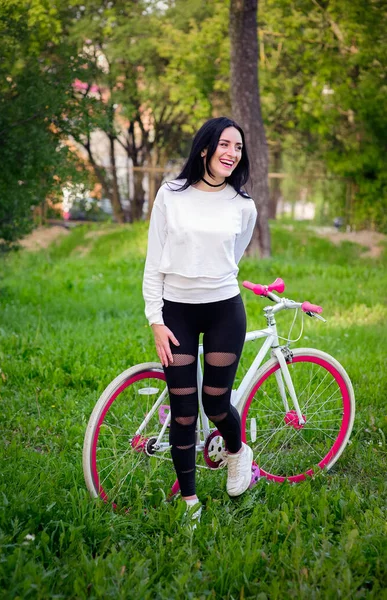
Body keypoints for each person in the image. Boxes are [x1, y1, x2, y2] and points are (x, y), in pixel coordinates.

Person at [142, 116, 257, 525]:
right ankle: (190, 502)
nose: (232, 153)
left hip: (225, 308)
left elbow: (232, 258)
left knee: (216, 402)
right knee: (185, 411)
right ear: (205, 149)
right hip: (177, 312)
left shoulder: (243, 205)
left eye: (238, 148)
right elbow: (154, 262)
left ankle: (237, 451)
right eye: (225, 145)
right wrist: (156, 319)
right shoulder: (170, 195)